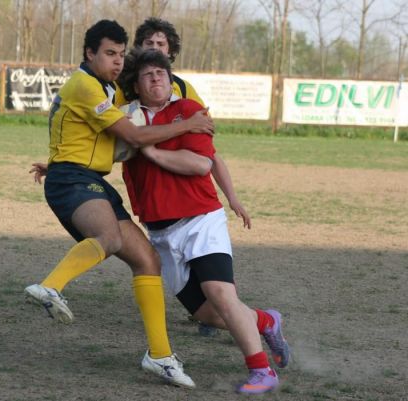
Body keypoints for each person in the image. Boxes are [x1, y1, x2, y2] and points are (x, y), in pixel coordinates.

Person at [26, 19, 214, 389]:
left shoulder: (103, 87)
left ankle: (160, 356)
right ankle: (50, 286)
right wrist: (187, 125)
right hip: (74, 181)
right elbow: (132, 135)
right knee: (109, 238)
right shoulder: (85, 85)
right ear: (89, 53)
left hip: (87, 178)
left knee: (148, 260)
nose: (116, 61)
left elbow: (101, 142)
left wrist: (59, 157)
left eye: (120, 54)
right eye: (109, 53)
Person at [118, 48, 290, 394]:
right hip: (160, 232)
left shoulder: (189, 111)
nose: (156, 78)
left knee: (220, 293)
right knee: (206, 313)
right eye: (148, 74)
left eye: (162, 73)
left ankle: (262, 370)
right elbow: (100, 150)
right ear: (136, 84)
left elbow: (199, 164)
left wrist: (149, 149)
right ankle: (265, 320)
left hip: (200, 219)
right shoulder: (127, 119)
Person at [128, 16, 252, 337]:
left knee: (219, 292)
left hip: (195, 209)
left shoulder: (184, 95)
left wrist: (232, 196)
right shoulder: (124, 95)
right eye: (149, 44)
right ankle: (228, 318)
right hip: (156, 214)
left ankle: (238, 321)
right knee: (209, 305)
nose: (155, 49)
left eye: (161, 45)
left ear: (171, 53)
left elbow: (207, 157)